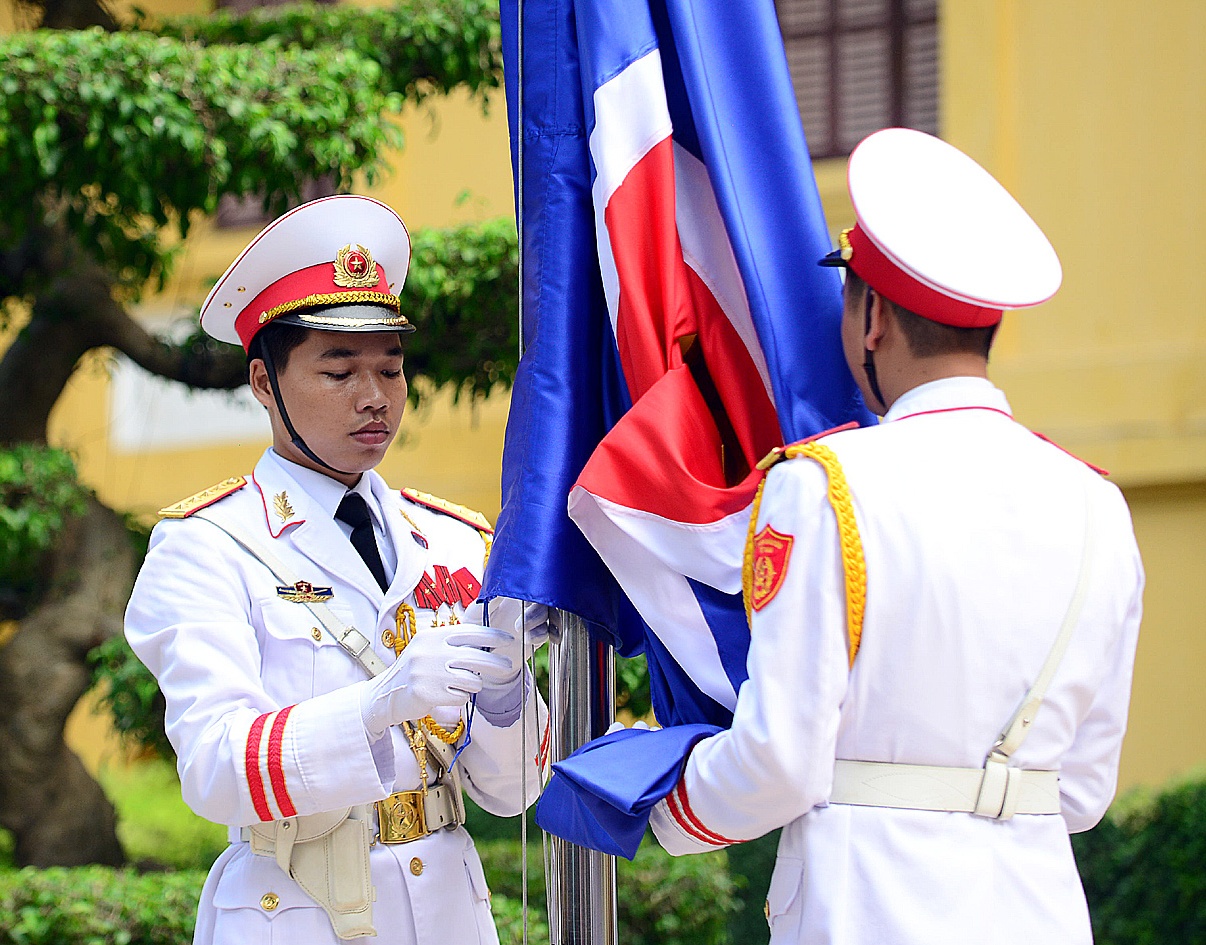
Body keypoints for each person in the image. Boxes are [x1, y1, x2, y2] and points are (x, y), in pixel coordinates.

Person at [647, 128, 1143, 944]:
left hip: (866, 912)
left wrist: (664, 805)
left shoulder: (822, 486)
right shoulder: (1098, 504)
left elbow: (779, 761)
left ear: (872, 316)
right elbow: (1081, 791)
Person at [125, 194, 548, 945]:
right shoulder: (209, 543)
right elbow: (216, 766)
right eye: (338, 369)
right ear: (264, 382)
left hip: (451, 912)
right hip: (294, 913)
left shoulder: (457, 541)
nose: (374, 397)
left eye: (391, 369)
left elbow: (513, 793)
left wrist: (512, 695)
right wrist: (378, 704)